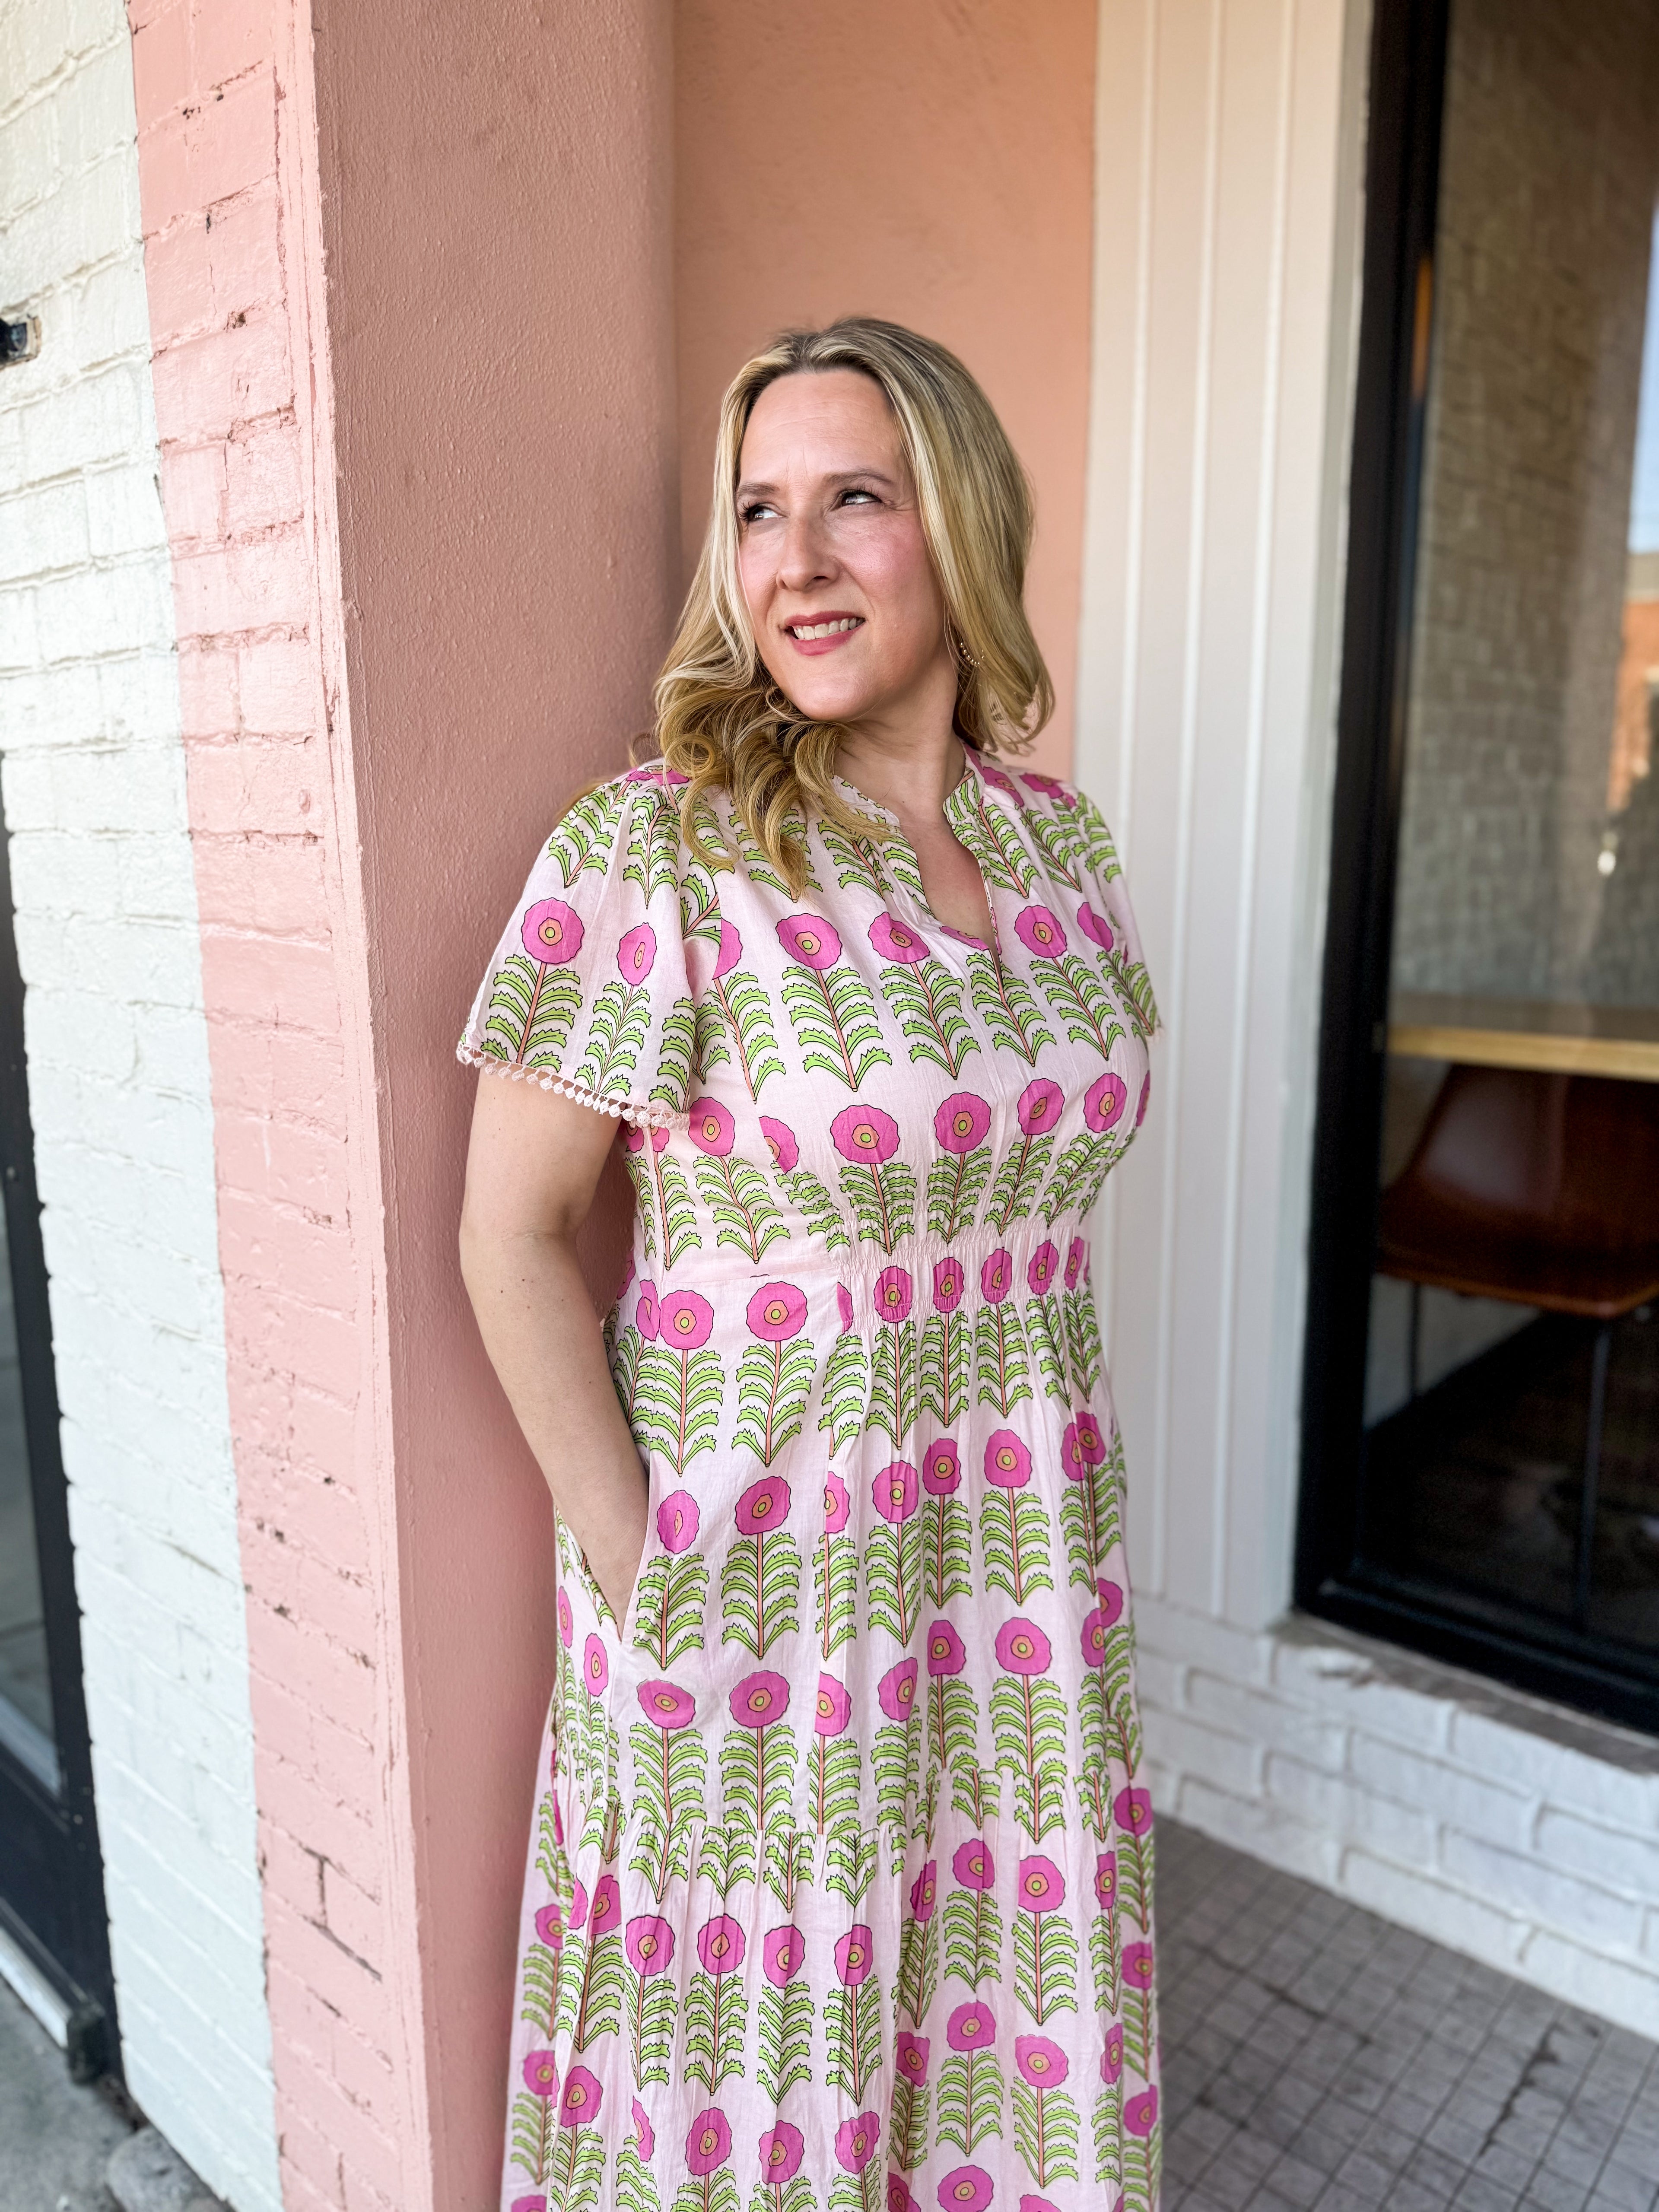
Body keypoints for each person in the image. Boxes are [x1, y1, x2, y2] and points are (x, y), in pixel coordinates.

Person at [459, 317, 1161, 2212]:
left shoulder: (1064, 849)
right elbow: (510, 1232)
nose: (798, 557)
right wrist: (646, 1571)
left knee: (988, 2036)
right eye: (760, 511)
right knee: (765, 2101)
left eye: (858, 496)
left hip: (1014, 1579)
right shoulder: (660, 848)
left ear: (962, 524)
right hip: (761, 1601)